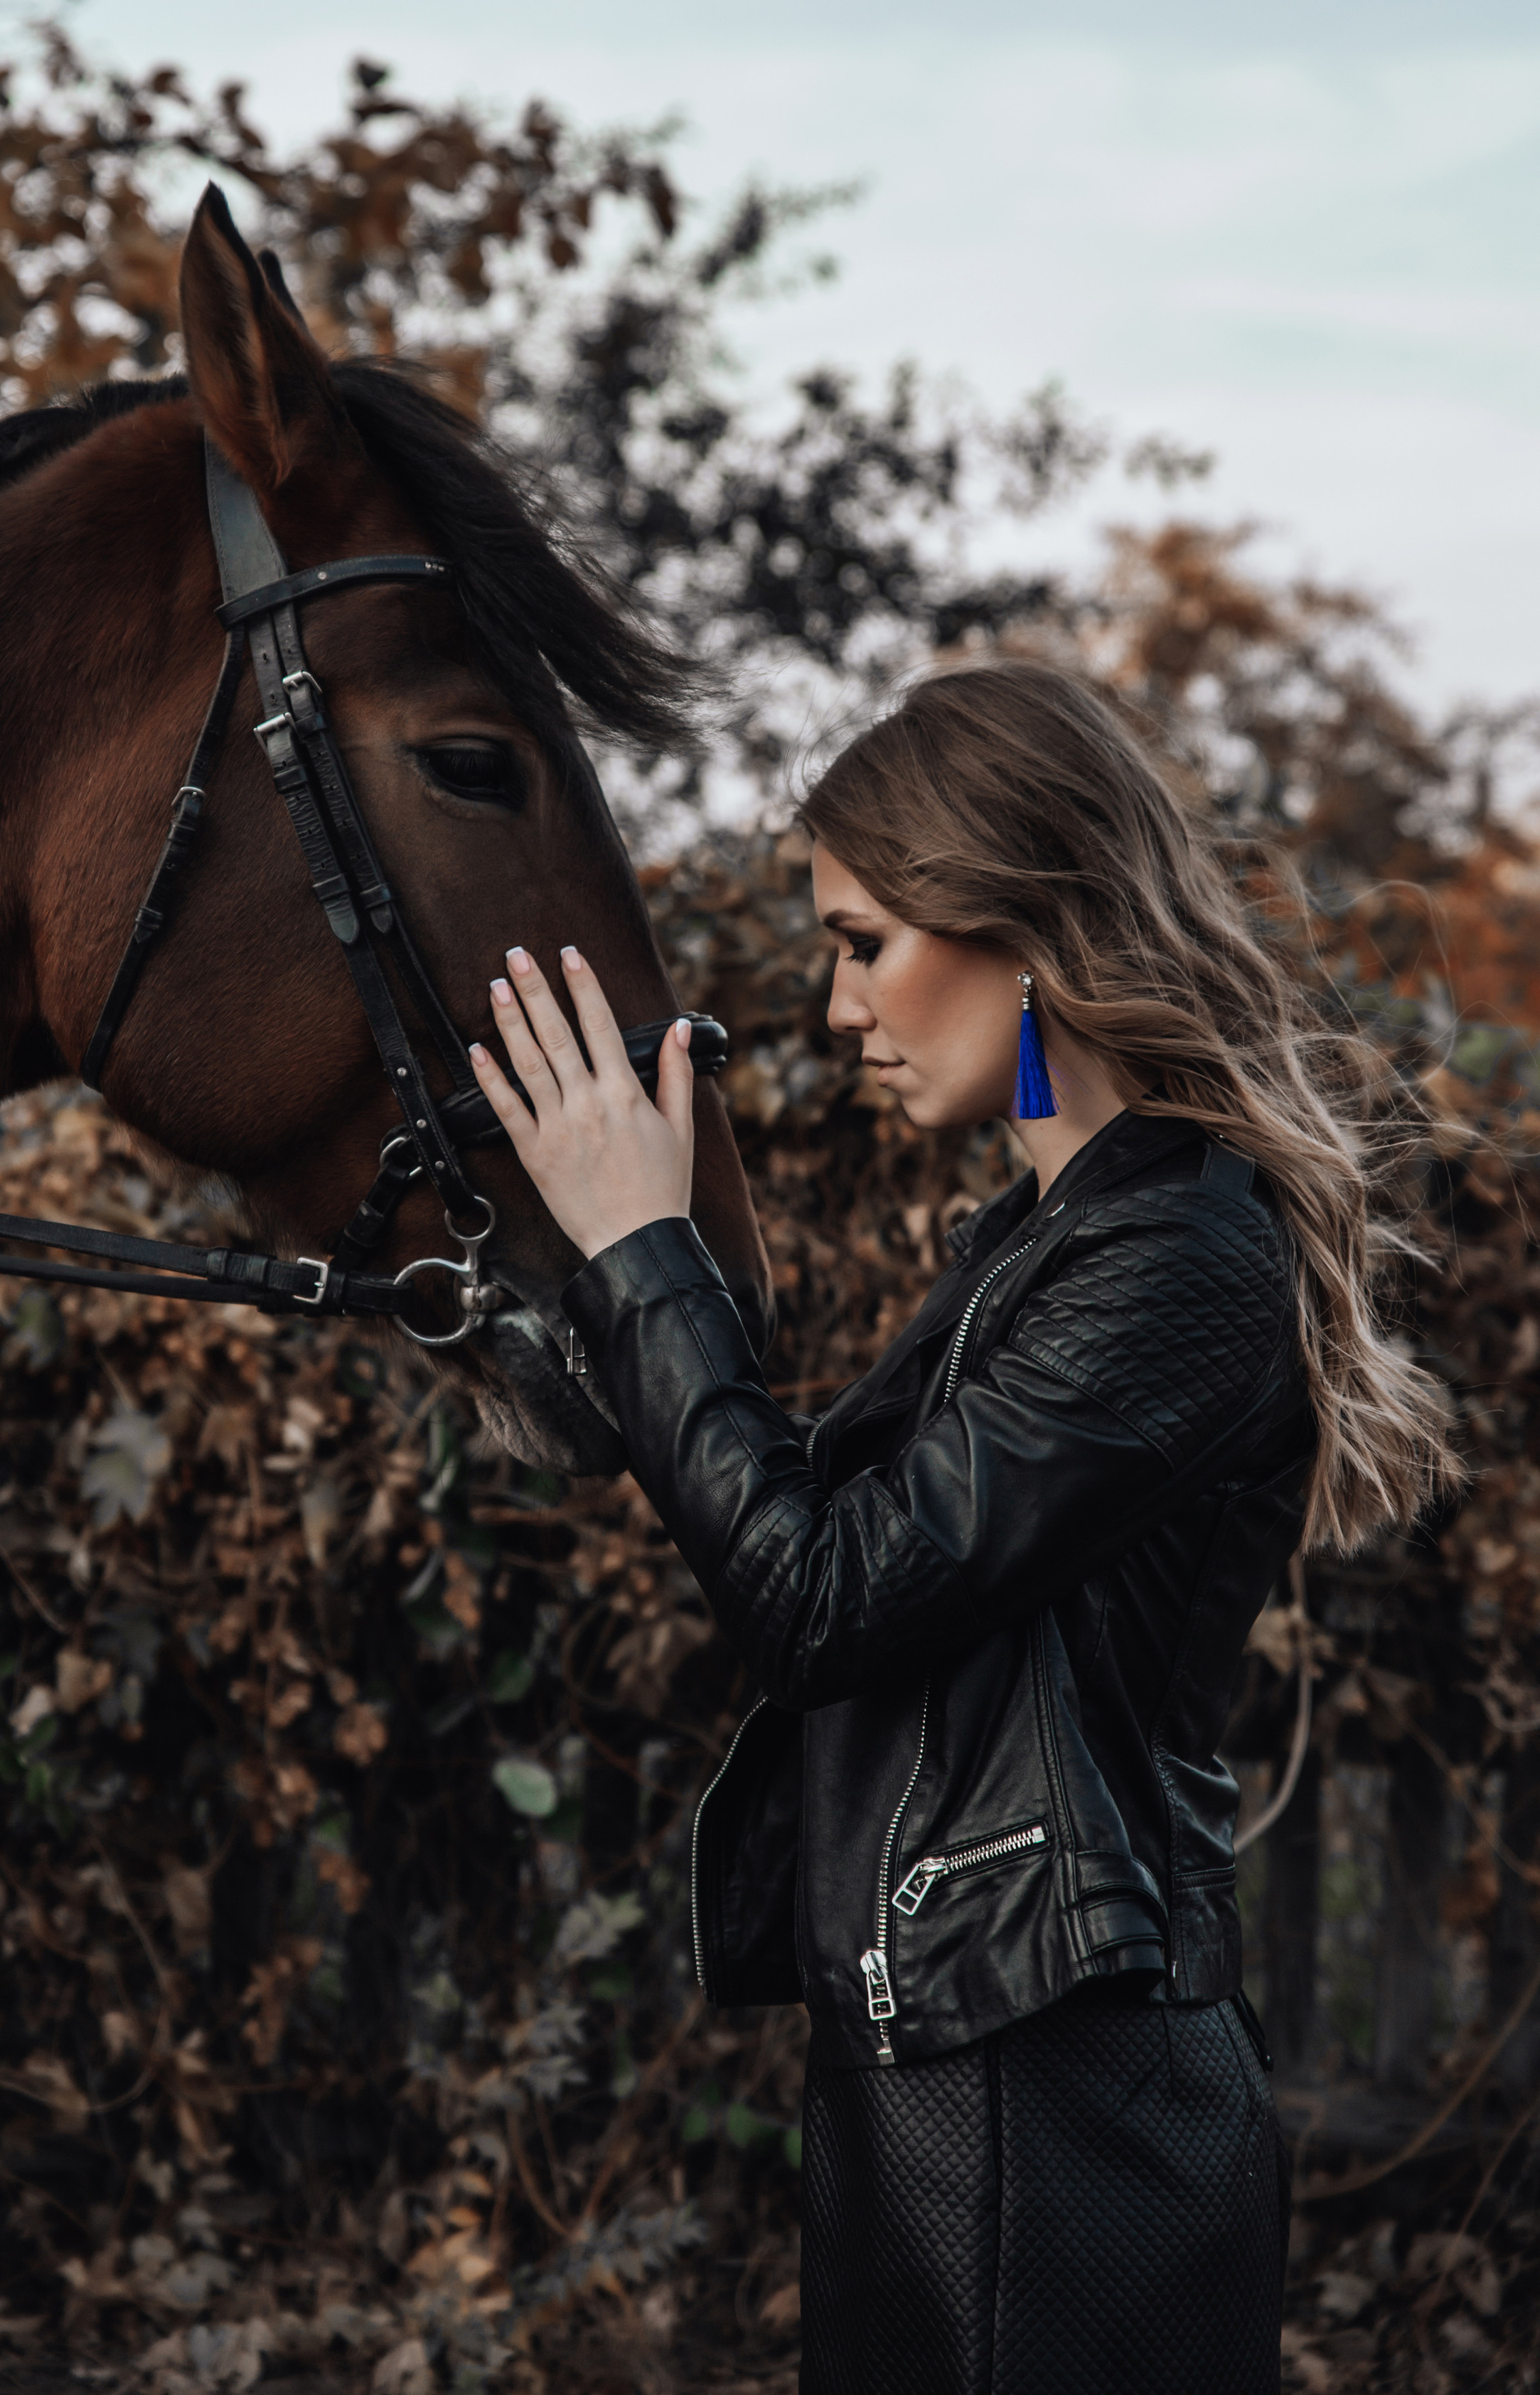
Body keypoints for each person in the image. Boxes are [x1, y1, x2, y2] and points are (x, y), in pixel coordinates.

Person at [465, 661, 1456, 2395]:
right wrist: (608, 1280)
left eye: (863, 940)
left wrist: (643, 1256)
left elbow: (822, 1598)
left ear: (1018, 926)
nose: (834, 996)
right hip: (964, 2047)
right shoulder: (1049, 1237)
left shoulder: (1180, 1260)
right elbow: (807, 1517)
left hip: (1044, 2089)